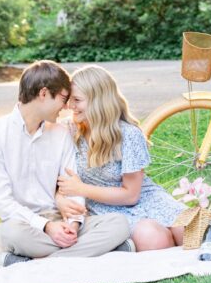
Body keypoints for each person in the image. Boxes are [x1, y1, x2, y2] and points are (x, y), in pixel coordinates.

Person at [0, 60, 131, 266]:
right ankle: (96, 250)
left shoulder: (60, 132)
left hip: (62, 218)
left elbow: (71, 183)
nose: (67, 106)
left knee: (119, 224)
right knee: (8, 234)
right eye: (63, 98)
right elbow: (4, 204)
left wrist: (73, 226)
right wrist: (47, 227)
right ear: (43, 94)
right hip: (26, 224)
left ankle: (34, 262)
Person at [56, 66, 185, 251]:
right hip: (105, 208)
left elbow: (132, 195)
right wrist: (61, 199)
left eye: (77, 100)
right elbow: (51, 178)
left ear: (99, 101)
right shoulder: (68, 131)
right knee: (155, 239)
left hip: (143, 198)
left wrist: (82, 188)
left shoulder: (128, 134)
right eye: (69, 100)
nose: (70, 106)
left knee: (191, 230)